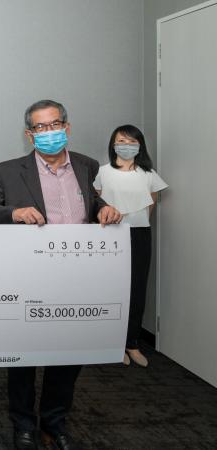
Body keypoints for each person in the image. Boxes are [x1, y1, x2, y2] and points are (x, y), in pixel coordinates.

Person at [0, 99, 121, 450]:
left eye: (55, 124)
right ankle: (24, 424)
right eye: (40, 127)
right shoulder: (8, 171)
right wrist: (15, 213)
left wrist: (104, 210)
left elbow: (91, 203)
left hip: (78, 278)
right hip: (29, 277)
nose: (48, 132)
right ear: (29, 135)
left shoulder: (86, 165)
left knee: (69, 355)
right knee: (23, 357)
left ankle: (54, 422)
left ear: (66, 127)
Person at [94, 124, 168, 367]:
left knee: (136, 289)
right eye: (121, 141)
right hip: (109, 236)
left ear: (140, 145)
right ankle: (112, 343)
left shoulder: (148, 174)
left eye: (131, 141)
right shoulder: (102, 172)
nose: (126, 145)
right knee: (110, 289)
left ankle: (132, 343)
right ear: (113, 144)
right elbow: (95, 203)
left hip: (139, 235)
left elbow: (151, 205)